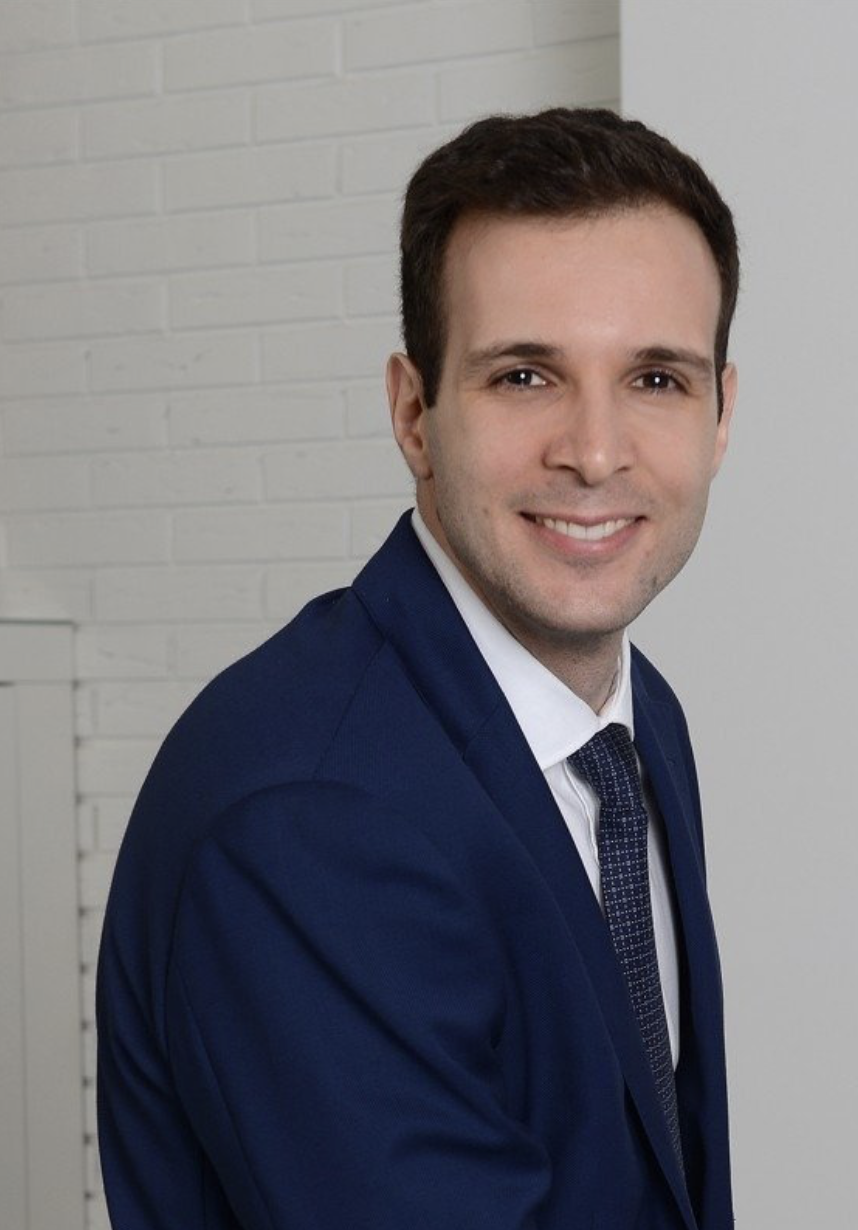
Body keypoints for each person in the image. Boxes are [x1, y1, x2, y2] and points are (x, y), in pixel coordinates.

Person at [97, 107, 740, 1230]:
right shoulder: (308, 824)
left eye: (655, 380)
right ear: (412, 412)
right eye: (525, 376)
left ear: (721, 415)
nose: (594, 453)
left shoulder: (629, 722)